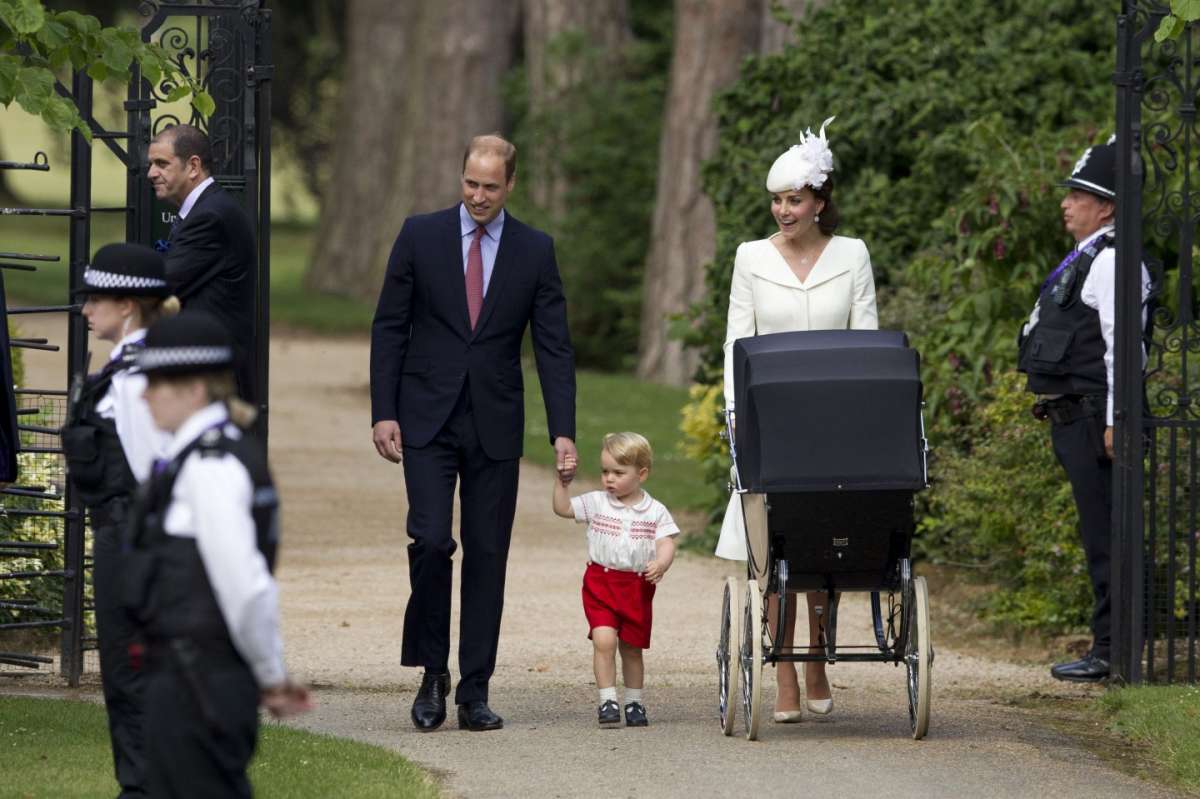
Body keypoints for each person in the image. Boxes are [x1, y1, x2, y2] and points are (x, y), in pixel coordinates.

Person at [370, 133, 577, 732]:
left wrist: (563, 430)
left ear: (510, 185)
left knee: (488, 555)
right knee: (432, 541)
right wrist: (385, 410)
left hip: (495, 421)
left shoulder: (535, 250)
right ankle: (432, 672)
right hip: (426, 417)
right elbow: (390, 327)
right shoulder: (420, 235)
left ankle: (474, 689)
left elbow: (554, 348)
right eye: (470, 183)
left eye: (490, 186)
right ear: (459, 177)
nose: (479, 196)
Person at [714, 117, 878, 722]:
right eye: (777, 200)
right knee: (775, 550)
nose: (784, 210)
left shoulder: (853, 255)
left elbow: (868, 337)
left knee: (821, 550)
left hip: (837, 421)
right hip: (772, 419)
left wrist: (867, 417)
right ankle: (782, 669)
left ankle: (816, 659)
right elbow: (738, 340)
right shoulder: (751, 256)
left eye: (795, 199)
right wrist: (736, 416)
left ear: (820, 201)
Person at [122, 313, 310, 797]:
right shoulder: (201, 454)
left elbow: (244, 586)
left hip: (198, 680)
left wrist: (271, 675)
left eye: (156, 383)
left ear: (195, 390)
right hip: (190, 674)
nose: (144, 395)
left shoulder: (211, 465)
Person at [1018, 135, 1149, 683]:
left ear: (1108, 207)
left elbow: (1125, 348)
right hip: (1078, 416)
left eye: (1080, 194)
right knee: (1098, 534)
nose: (1067, 203)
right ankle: (1109, 646)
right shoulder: (1090, 256)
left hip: (1096, 417)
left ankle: (1114, 652)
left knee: (1107, 537)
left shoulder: (1114, 260)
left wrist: (1119, 419)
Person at [61, 242, 177, 798]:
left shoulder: (137, 378)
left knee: (130, 677)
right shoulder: (136, 364)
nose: (85, 310)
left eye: (95, 298)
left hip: (134, 540)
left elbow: (159, 471)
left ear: (127, 303)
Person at [552, 433, 679, 728]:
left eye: (618, 473)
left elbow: (667, 542)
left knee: (632, 648)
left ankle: (634, 702)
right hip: (601, 582)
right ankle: (607, 699)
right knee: (604, 640)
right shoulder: (598, 502)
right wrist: (562, 483)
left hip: (636, 586)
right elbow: (563, 509)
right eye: (605, 471)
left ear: (642, 474)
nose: (609, 479)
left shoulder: (655, 511)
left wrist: (661, 563)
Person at [147, 124, 258, 403]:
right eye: (151, 164)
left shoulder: (210, 217)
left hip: (213, 375)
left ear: (193, 166)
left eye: (162, 164)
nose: (151, 173)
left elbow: (164, 283)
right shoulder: (206, 209)